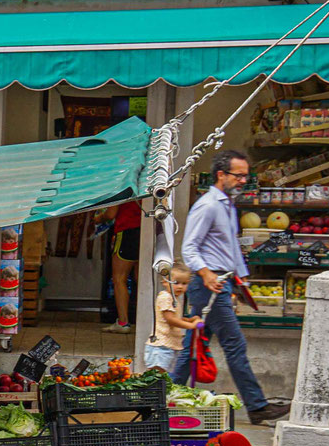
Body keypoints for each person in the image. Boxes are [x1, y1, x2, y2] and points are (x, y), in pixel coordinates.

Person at [171, 151, 289, 423]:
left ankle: (166, 397)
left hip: (219, 283)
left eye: (245, 176)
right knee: (234, 343)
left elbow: (231, 247)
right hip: (209, 284)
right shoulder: (208, 205)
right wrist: (205, 273)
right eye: (238, 175)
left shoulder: (226, 205)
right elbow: (189, 247)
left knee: (193, 345)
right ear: (221, 175)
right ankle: (257, 406)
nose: (243, 181)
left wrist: (242, 279)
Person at [147, 266, 199, 372]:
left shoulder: (173, 298)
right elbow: (170, 319)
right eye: (175, 282)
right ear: (165, 282)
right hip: (161, 345)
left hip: (168, 344)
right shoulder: (165, 297)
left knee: (163, 377)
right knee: (157, 375)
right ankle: (150, 388)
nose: (180, 287)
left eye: (184, 284)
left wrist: (188, 320)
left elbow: (175, 317)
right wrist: (191, 326)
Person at [105, 198, 142, 333]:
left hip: (126, 230)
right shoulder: (149, 181)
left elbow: (110, 214)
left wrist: (98, 218)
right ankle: (144, 320)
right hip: (146, 231)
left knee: (119, 279)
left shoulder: (123, 182)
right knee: (141, 280)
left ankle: (123, 322)